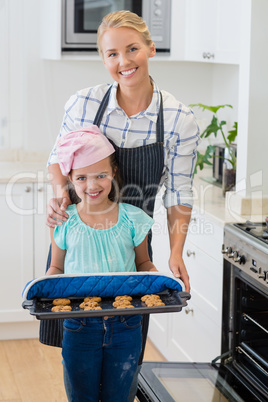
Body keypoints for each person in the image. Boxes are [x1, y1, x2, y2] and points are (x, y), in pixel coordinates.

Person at [41, 9, 199, 400]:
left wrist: (176, 251)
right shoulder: (84, 103)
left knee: (124, 350)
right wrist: (62, 193)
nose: (123, 62)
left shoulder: (178, 118)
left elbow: (179, 192)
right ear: (103, 59)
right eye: (112, 54)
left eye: (132, 49)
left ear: (151, 48)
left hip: (131, 245)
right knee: (79, 351)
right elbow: (59, 162)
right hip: (81, 235)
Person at [47, 126, 157, 401]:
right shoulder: (64, 221)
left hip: (127, 324)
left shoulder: (133, 218)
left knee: (119, 395)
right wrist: (45, 290)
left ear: (114, 173)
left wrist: (162, 283)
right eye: (82, 177)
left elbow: (144, 262)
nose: (92, 185)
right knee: (81, 395)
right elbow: (56, 268)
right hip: (78, 325)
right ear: (70, 178)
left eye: (101, 176)